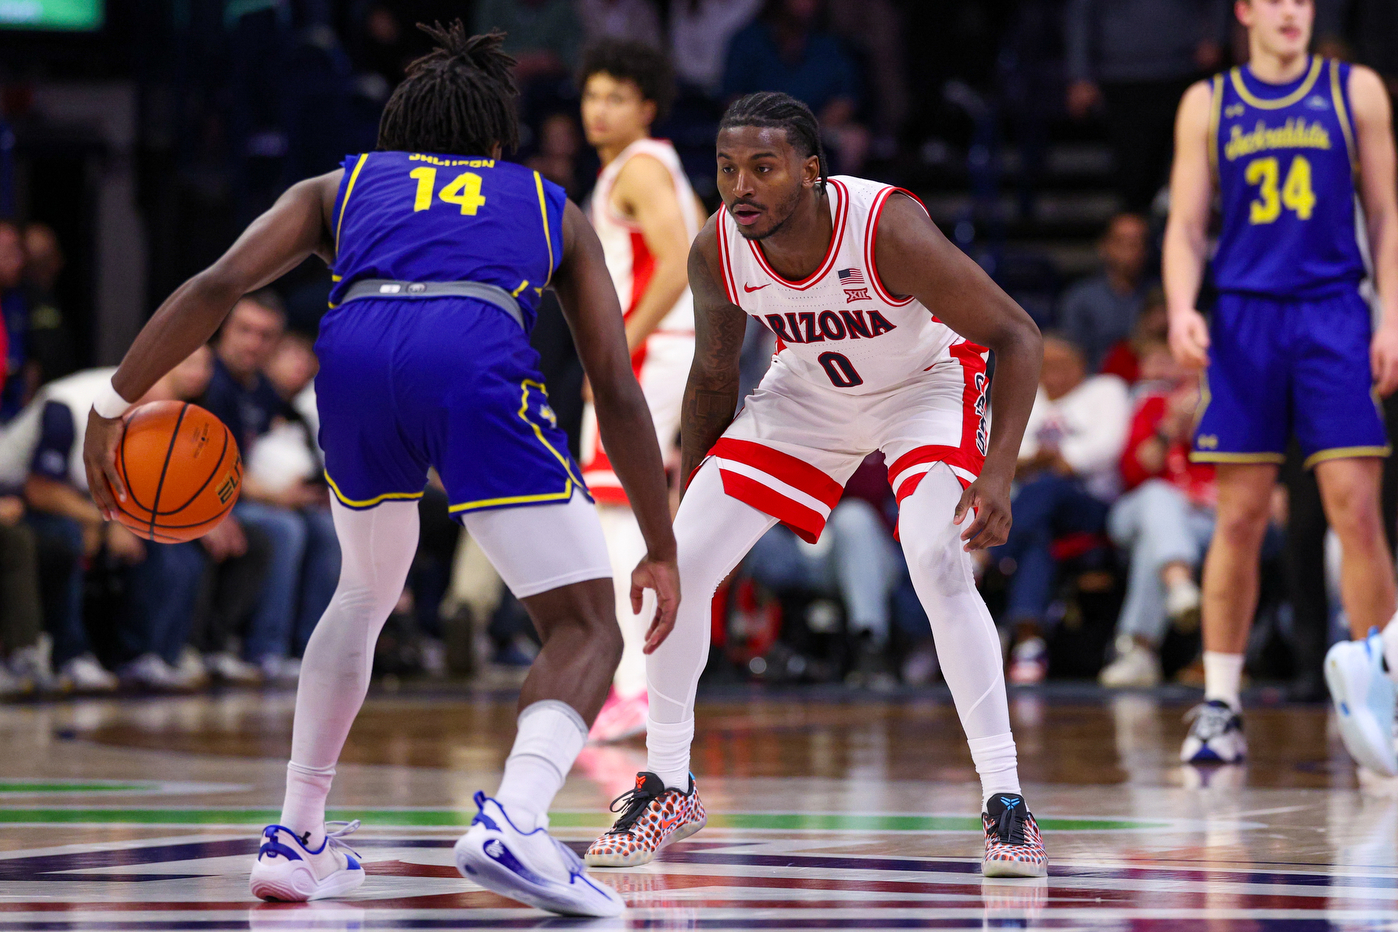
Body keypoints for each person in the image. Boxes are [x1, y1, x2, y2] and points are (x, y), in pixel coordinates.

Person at [81, 26, 678, 917]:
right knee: (586, 622)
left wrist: (112, 402)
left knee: (362, 594)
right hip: (471, 355)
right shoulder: (548, 201)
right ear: (493, 141)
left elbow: (216, 283)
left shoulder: (345, 182)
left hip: (353, 360)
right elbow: (616, 390)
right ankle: (516, 817)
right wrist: (658, 545)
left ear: (399, 131)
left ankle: (296, 834)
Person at [582, 91, 1047, 878]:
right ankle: (667, 781)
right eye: (728, 169)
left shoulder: (885, 227)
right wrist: (690, 507)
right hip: (809, 395)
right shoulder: (717, 248)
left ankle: (1006, 802)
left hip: (924, 388)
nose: (741, 187)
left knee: (933, 558)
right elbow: (713, 377)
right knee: (681, 569)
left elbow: (1016, 333)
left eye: (763, 168)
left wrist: (998, 469)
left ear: (810, 171)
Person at [1164, 0, 1398, 770]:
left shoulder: (1355, 89)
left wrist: (1390, 317)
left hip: (1334, 312)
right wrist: (1178, 308)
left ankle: (1384, 700)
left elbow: (1388, 214)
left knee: (1356, 510)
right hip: (1245, 318)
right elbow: (1189, 225)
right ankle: (1222, 704)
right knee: (1240, 516)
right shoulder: (1209, 102)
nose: (1292, 10)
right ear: (1246, 11)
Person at [577, 39, 706, 742]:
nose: (600, 110)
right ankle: (638, 682)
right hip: (664, 353)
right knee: (632, 513)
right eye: (594, 95)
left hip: (650, 353)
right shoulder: (653, 167)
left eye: (617, 97)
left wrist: (618, 352)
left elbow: (681, 265)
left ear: (647, 106)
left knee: (619, 515)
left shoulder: (643, 166)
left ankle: (631, 685)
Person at [203, 294, 339, 680]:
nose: (253, 343)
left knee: (328, 529)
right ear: (222, 331)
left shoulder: (263, 390)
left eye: (265, 336)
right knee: (284, 529)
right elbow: (205, 467)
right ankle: (266, 649)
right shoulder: (209, 382)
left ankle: (311, 650)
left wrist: (297, 487)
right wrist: (274, 494)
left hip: (249, 493)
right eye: (244, 330)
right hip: (208, 498)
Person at [990, 333, 1131, 685]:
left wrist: (1042, 461)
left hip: (1092, 505)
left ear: (1081, 363)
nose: (1051, 374)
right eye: (1043, 366)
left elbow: (1106, 446)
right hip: (1031, 513)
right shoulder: (1022, 394)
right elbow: (990, 450)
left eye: (1060, 365)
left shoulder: (1104, 390)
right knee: (1037, 533)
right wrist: (1037, 462)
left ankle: (985, 556)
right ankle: (1028, 643)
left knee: (1047, 488)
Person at [1100, 374, 1215, 687]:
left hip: (1201, 521)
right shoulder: (1152, 404)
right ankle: (1178, 584)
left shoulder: (1228, 409)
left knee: (1155, 542)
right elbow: (1133, 474)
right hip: (1135, 510)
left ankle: (1139, 651)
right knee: (1158, 497)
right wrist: (1168, 432)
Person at [1065, 0, 1229, 211]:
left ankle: (1172, 237)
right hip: (1122, 75)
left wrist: (1217, 37)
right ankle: (1135, 234)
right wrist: (1079, 75)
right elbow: (1080, 12)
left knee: (1185, 175)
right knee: (1132, 178)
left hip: (1184, 69)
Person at [721, 0, 868, 173]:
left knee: (855, 139)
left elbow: (845, 98)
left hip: (817, 128)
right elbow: (733, 98)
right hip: (761, 129)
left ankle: (834, 196)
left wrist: (808, 128)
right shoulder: (749, 40)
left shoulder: (831, 43)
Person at [1057, 213, 1154, 372]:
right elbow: (1070, 353)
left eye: (1137, 242)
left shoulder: (1159, 296)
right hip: (1095, 384)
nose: (1130, 250)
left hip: (1150, 383)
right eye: (1122, 242)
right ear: (1104, 246)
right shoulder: (1081, 297)